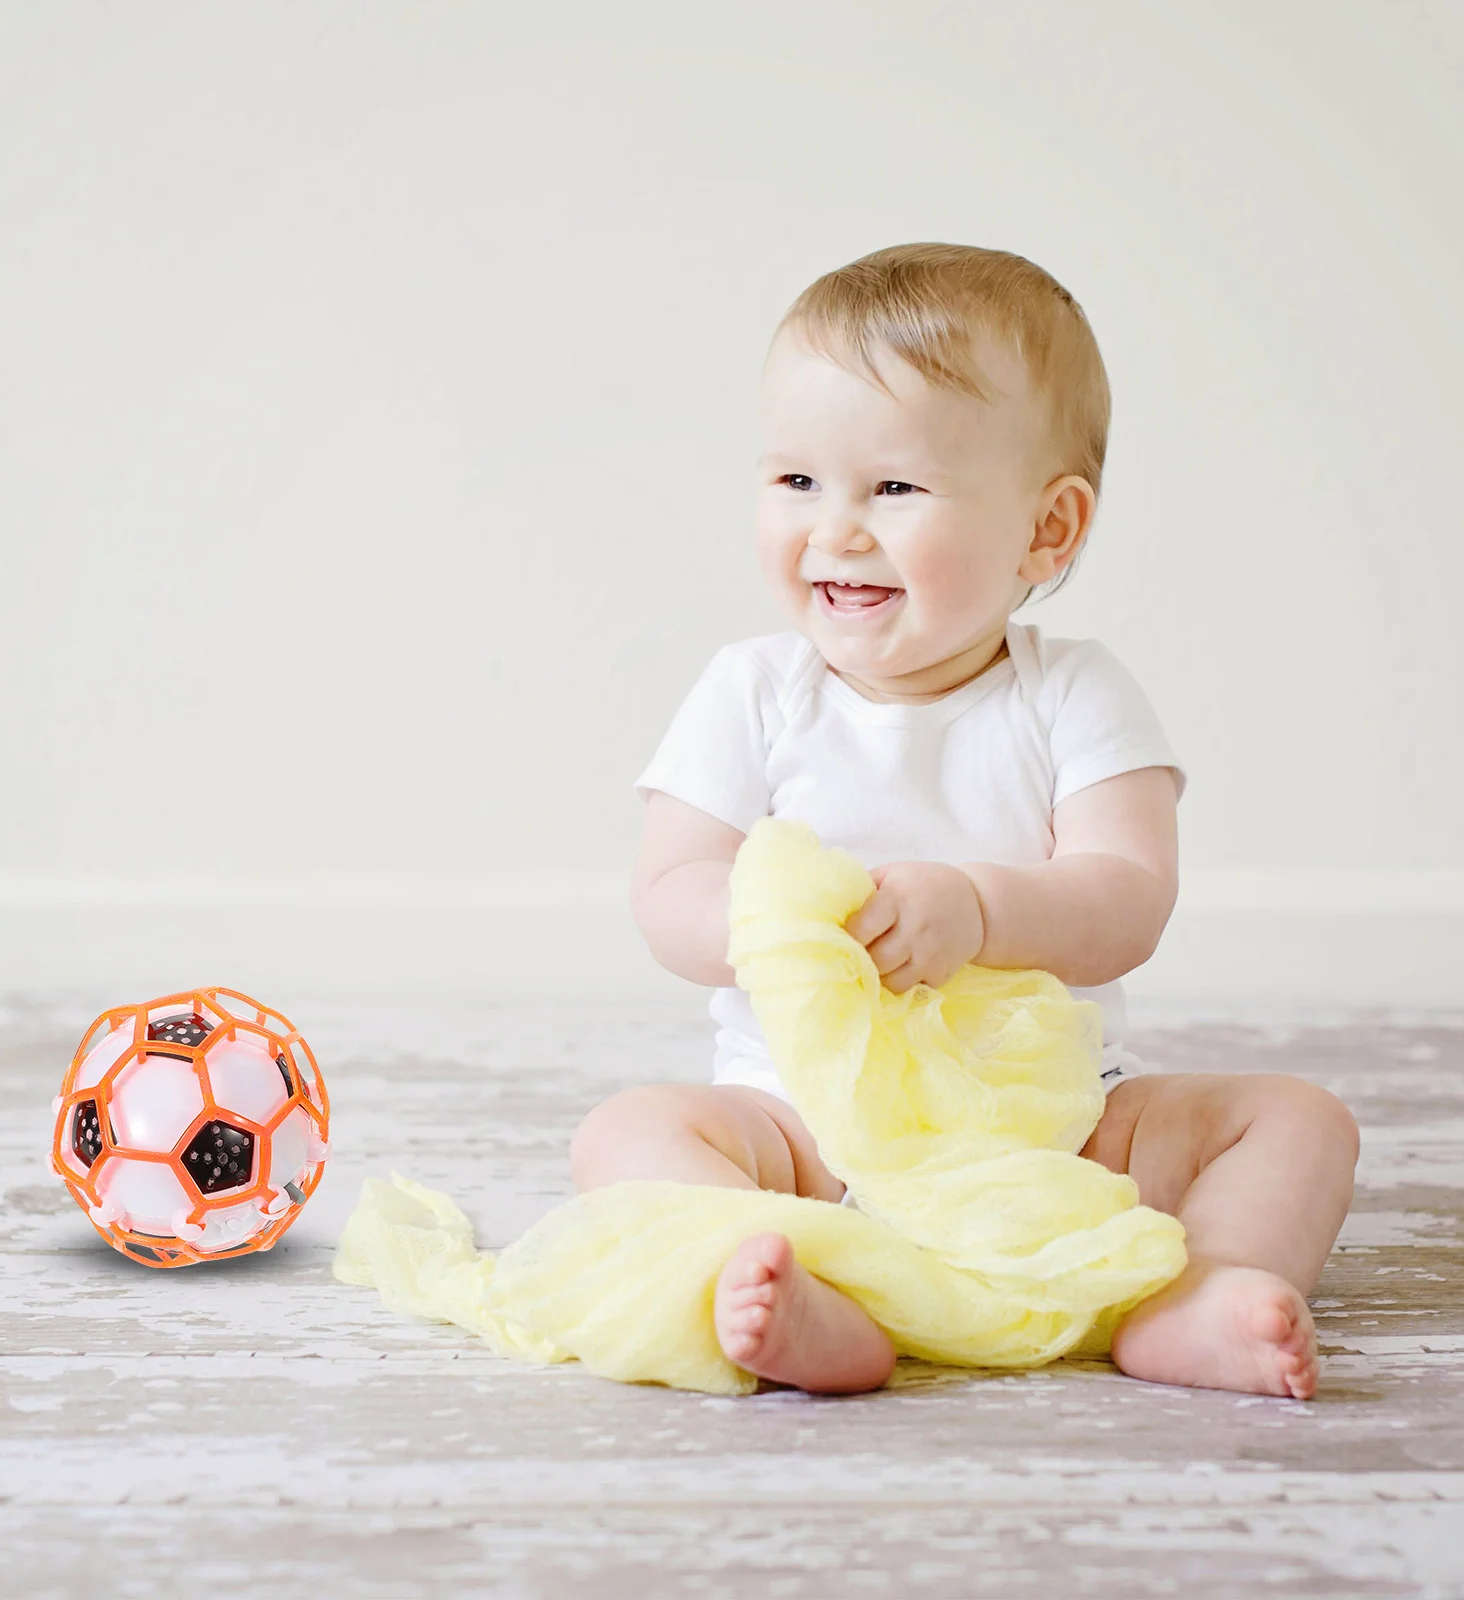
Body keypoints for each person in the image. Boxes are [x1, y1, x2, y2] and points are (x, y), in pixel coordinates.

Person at [568, 243, 1360, 1399]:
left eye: (891, 488)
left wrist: (979, 907)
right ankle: (804, 1284)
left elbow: (1127, 894)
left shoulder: (1071, 693)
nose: (834, 528)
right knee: (625, 1133)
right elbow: (668, 889)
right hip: (803, 1128)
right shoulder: (752, 691)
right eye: (795, 481)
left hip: (1050, 1133)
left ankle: (1202, 1296)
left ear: (1047, 530)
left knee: (1299, 1120)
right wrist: (785, 932)